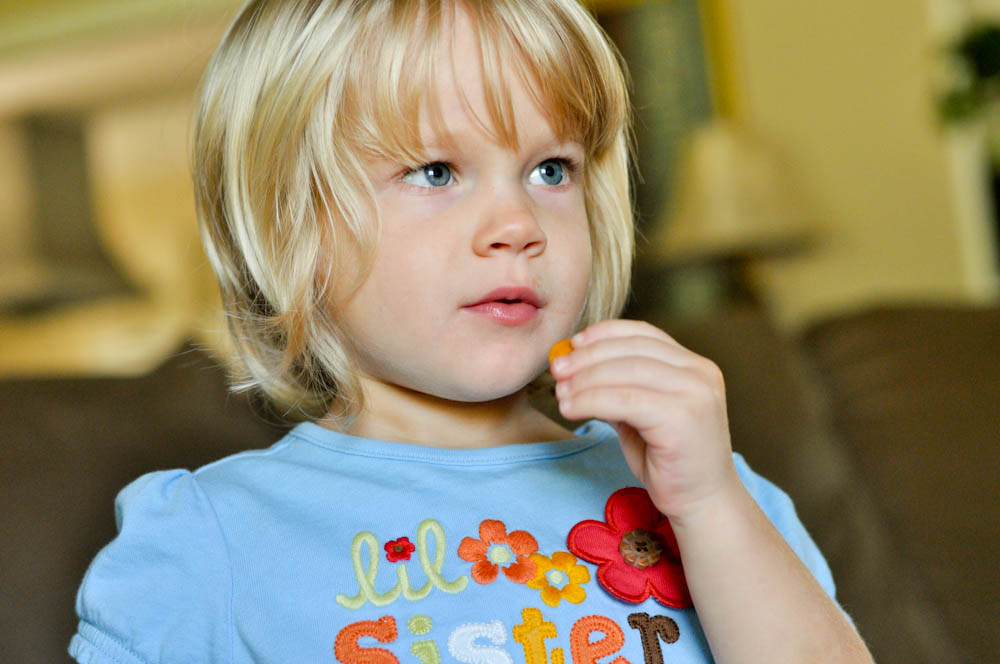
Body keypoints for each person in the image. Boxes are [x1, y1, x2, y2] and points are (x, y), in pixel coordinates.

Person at [69, 1, 872, 662]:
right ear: (291, 231)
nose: (518, 224)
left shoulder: (710, 495)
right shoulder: (213, 540)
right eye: (436, 172)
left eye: (550, 170)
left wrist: (708, 504)